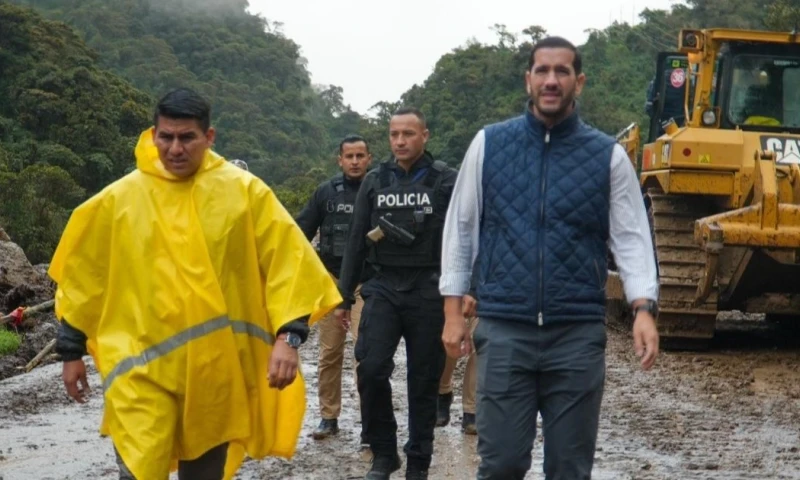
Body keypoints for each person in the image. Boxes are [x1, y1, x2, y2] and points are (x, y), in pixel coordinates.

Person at [50, 88, 342, 480]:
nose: (174, 148)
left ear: (209, 137)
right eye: (165, 136)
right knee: (139, 468)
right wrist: (71, 350)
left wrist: (288, 339)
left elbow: (288, 263)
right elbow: (84, 277)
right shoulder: (118, 200)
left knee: (202, 473)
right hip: (140, 369)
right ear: (152, 134)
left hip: (213, 371)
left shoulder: (244, 193)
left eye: (186, 137)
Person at [439, 36, 660, 480]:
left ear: (579, 82)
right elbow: (461, 228)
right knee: (501, 464)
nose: (551, 80)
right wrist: (452, 312)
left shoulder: (608, 157)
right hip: (504, 331)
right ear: (528, 79)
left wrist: (643, 308)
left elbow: (632, 238)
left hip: (576, 335)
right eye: (542, 71)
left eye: (562, 72)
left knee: (569, 468)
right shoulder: (489, 145)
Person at [334, 107, 458, 480]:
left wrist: (465, 293)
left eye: (408, 134)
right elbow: (356, 240)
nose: (400, 141)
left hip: (428, 288)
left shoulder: (445, 180)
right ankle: (385, 454)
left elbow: (462, 239)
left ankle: (418, 462)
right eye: (394, 134)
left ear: (425, 135)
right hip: (384, 285)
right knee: (370, 368)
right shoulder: (375, 181)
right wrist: (343, 297)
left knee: (423, 382)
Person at [294, 134, 373, 440]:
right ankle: (329, 416)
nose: (355, 161)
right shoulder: (325, 193)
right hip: (331, 281)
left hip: (366, 284)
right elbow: (301, 231)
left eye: (360, 156)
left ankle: (371, 420)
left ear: (369, 158)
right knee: (329, 353)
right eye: (349, 156)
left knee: (366, 354)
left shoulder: (378, 190)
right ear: (339, 160)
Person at [436, 267, 478, 434]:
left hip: (486, 280)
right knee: (449, 342)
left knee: (480, 344)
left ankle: (472, 408)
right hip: (450, 281)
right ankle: (443, 390)